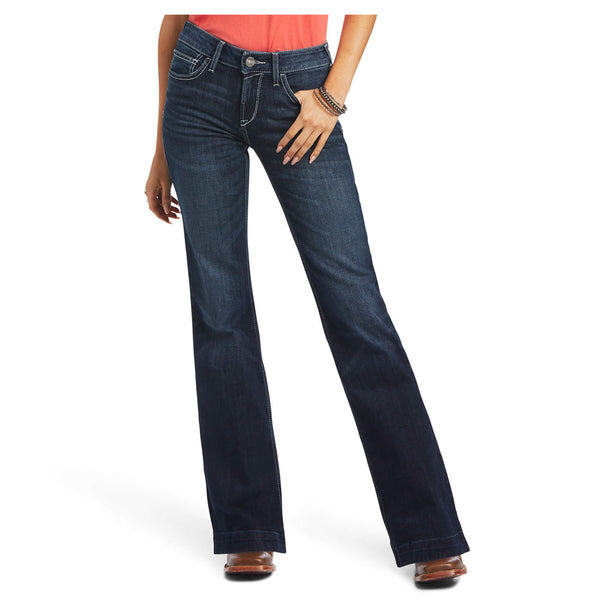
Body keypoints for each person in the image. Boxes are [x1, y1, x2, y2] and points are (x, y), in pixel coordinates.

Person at [145, 14, 470, 583]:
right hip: (198, 83)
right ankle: (246, 529)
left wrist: (332, 96)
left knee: (357, 309)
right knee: (221, 316)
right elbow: (175, 17)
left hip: (299, 90)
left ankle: (430, 531)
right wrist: (160, 148)